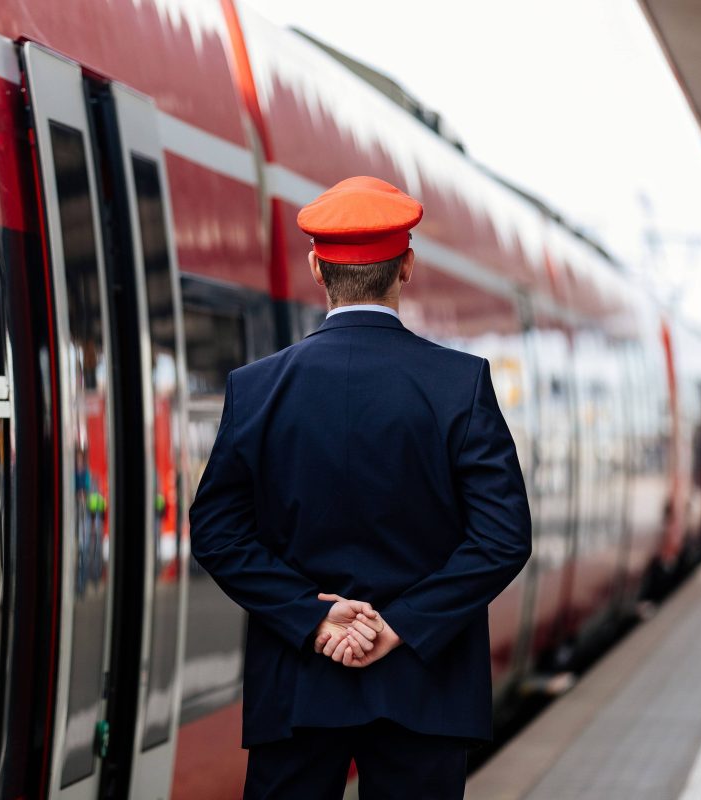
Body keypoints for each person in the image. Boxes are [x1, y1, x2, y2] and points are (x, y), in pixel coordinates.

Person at [189, 177, 532, 799]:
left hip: (296, 687)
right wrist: (400, 626)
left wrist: (314, 620)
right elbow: (504, 539)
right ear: (407, 267)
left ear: (316, 268)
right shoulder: (460, 385)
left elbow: (216, 531)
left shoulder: (256, 389)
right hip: (425, 690)